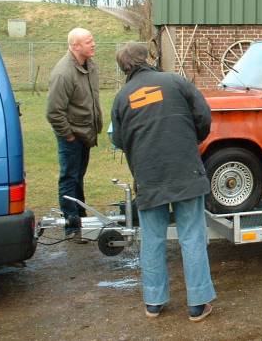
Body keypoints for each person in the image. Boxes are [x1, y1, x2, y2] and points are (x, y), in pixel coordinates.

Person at [111, 42, 216, 321]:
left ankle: (154, 303)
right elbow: (204, 116)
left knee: (153, 239)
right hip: (185, 171)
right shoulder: (175, 82)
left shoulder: (122, 97)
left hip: (148, 175)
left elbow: (118, 139)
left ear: (124, 68)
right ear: (147, 59)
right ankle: (198, 303)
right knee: (192, 236)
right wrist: (190, 138)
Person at [46, 28, 103, 243]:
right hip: (72, 135)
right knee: (69, 177)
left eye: (92, 40)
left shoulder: (89, 66)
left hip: (85, 133)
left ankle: (81, 217)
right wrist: (69, 136)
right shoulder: (63, 73)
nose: (93, 44)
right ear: (75, 46)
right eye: (89, 41)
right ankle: (71, 225)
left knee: (78, 176)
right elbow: (53, 112)